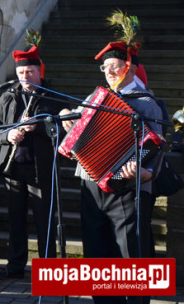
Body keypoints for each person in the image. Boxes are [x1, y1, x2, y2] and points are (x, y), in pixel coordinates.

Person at [60, 40, 164, 304]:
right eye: (104, 67)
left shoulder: (146, 104)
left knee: (130, 252)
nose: (108, 72)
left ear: (130, 69)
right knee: (96, 249)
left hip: (127, 186)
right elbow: (74, 121)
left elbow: (157, 147)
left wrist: (146, 172)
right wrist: (65, 115)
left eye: (114, 66)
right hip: (91, 181)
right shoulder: (94, 98)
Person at [0, 43, 67, 279]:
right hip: (13, 168)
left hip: (40, 169)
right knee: (16, 221)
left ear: (39, 71)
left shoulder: (54, 98)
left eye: (30, 72)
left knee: (44, 223)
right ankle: (15, 267)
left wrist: (39, 127)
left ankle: (48, 272)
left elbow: (64, 133)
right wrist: (8, 135)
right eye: (21, 72)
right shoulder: (8, 96)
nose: (25, 77)